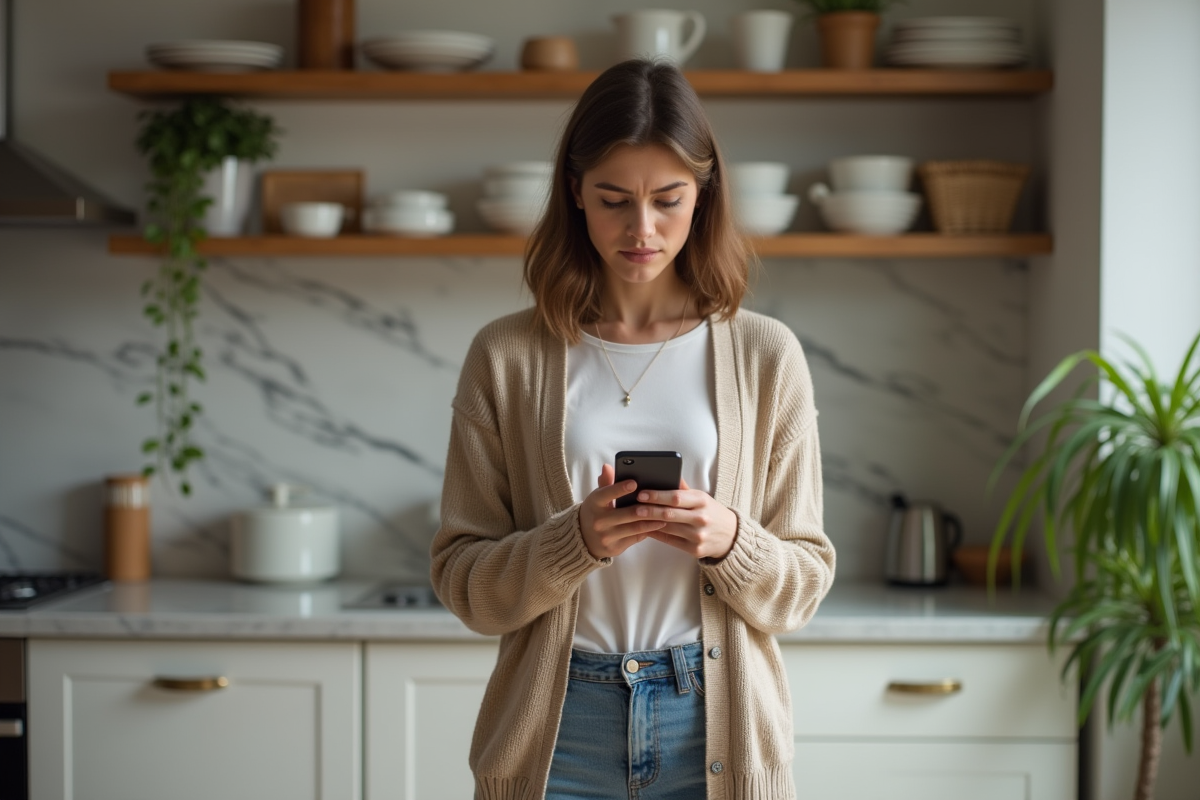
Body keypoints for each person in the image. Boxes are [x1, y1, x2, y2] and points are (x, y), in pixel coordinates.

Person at [431, 58, 835, 800]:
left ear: (703, 197)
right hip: (557, 734)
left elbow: (804, 586)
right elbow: (464, 582)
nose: (641, 229)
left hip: (713, 729)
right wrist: (574, 541)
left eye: (668, 200)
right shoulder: (506, 355)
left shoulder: (765, 355)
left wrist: (729, 540)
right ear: (575, 194)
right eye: (613, 200)